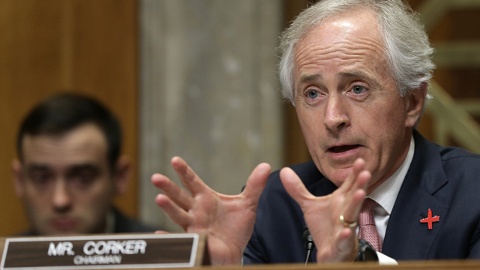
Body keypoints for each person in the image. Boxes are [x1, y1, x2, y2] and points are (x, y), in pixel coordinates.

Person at [151, 0, 480, 265]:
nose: (333, 118)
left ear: (412, 101)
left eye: (357, 89)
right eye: (312, 94)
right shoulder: (276, 204)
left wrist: (358, 262)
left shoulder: (473, 192)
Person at [12, 92, 157, 236]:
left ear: (120, 177)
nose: (60, 200)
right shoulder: (5, 257)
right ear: (19, 180)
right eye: (41, 178)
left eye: (83, 178)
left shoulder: (163, 254)